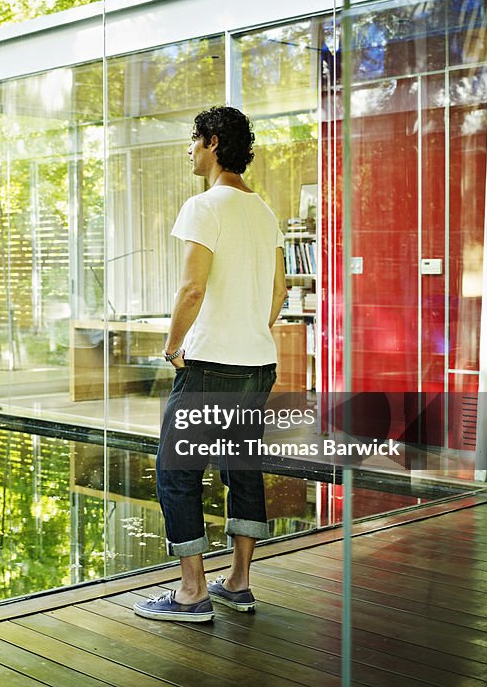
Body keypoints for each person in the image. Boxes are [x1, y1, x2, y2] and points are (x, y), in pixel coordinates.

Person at [133, 106, 287, 623]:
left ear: (213, 143)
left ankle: (192, 594)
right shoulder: (262, 211)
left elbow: (192, 288)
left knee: (177, 474)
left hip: (209, 365)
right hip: (258, 364)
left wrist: (173, 347)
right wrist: (250, 329)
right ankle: (238, 583)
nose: (189, 150)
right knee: (242, 470)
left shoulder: (204, 206)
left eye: (193, 141)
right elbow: (279, 292)